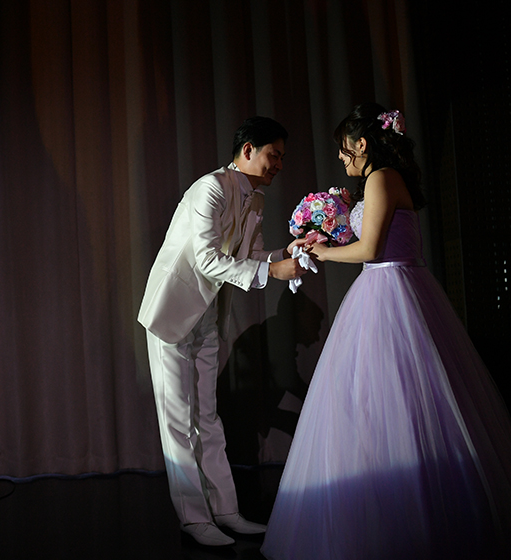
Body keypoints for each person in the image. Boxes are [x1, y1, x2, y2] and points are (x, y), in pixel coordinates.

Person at [261, 103, 511, 559]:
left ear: (362, 143)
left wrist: (317, 255)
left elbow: (371, 249)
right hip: (384, 286)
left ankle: (404, 513)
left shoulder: (381, 177)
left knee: (396, 398)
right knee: (379, 399)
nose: (341, 157)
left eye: (344, 148)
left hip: (390, 287)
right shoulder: (380, 180)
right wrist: (325, 234)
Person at [138, 117, 307, 547]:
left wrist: (283, 254)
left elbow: (252, 255)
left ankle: (227, 511)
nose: (279, 164)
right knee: (178, 421)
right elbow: (207, 260)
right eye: (274, 155)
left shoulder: (256, 200)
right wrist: (272, 271)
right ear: (248, 150)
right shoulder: (210, 188)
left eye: (282, 157)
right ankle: (194, 519)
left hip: (209, 317)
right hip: (172, 314)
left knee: (208, 419)